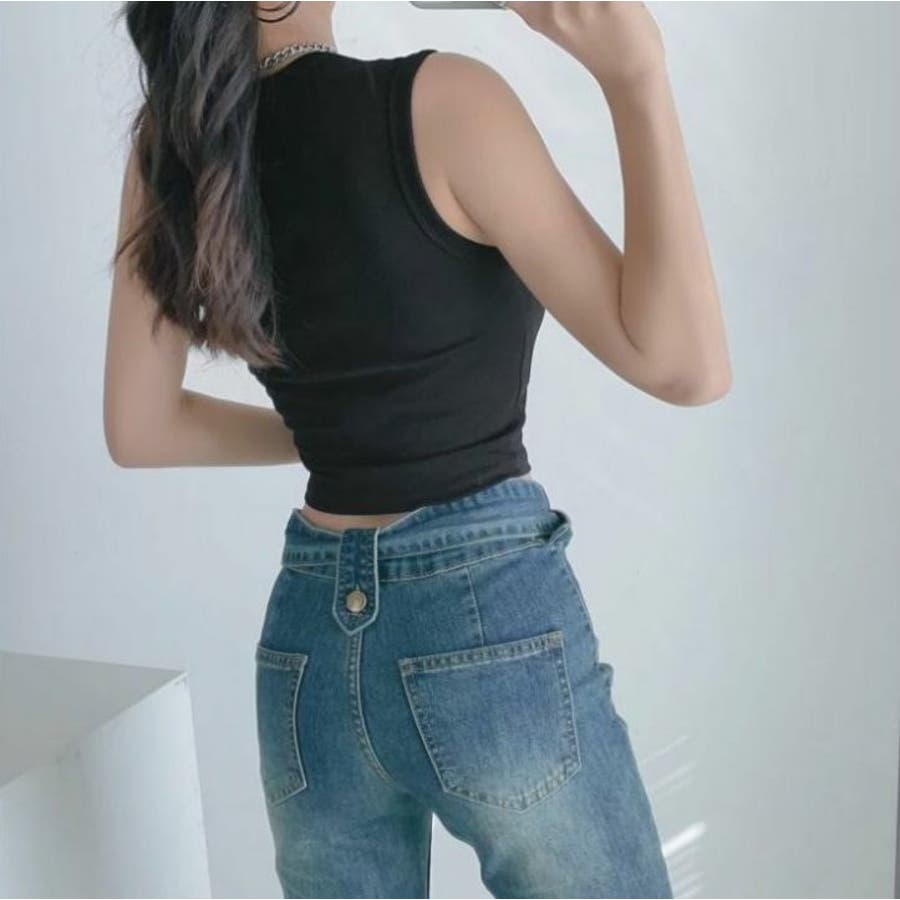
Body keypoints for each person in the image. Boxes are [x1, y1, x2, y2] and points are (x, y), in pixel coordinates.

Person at [105, 1, 730, 896]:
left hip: (308, 644)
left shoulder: (172, 153)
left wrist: (342, 432)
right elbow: (684, 366)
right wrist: (636, 77)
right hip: (484, 613)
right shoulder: (447, 103)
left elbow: (141, 430)